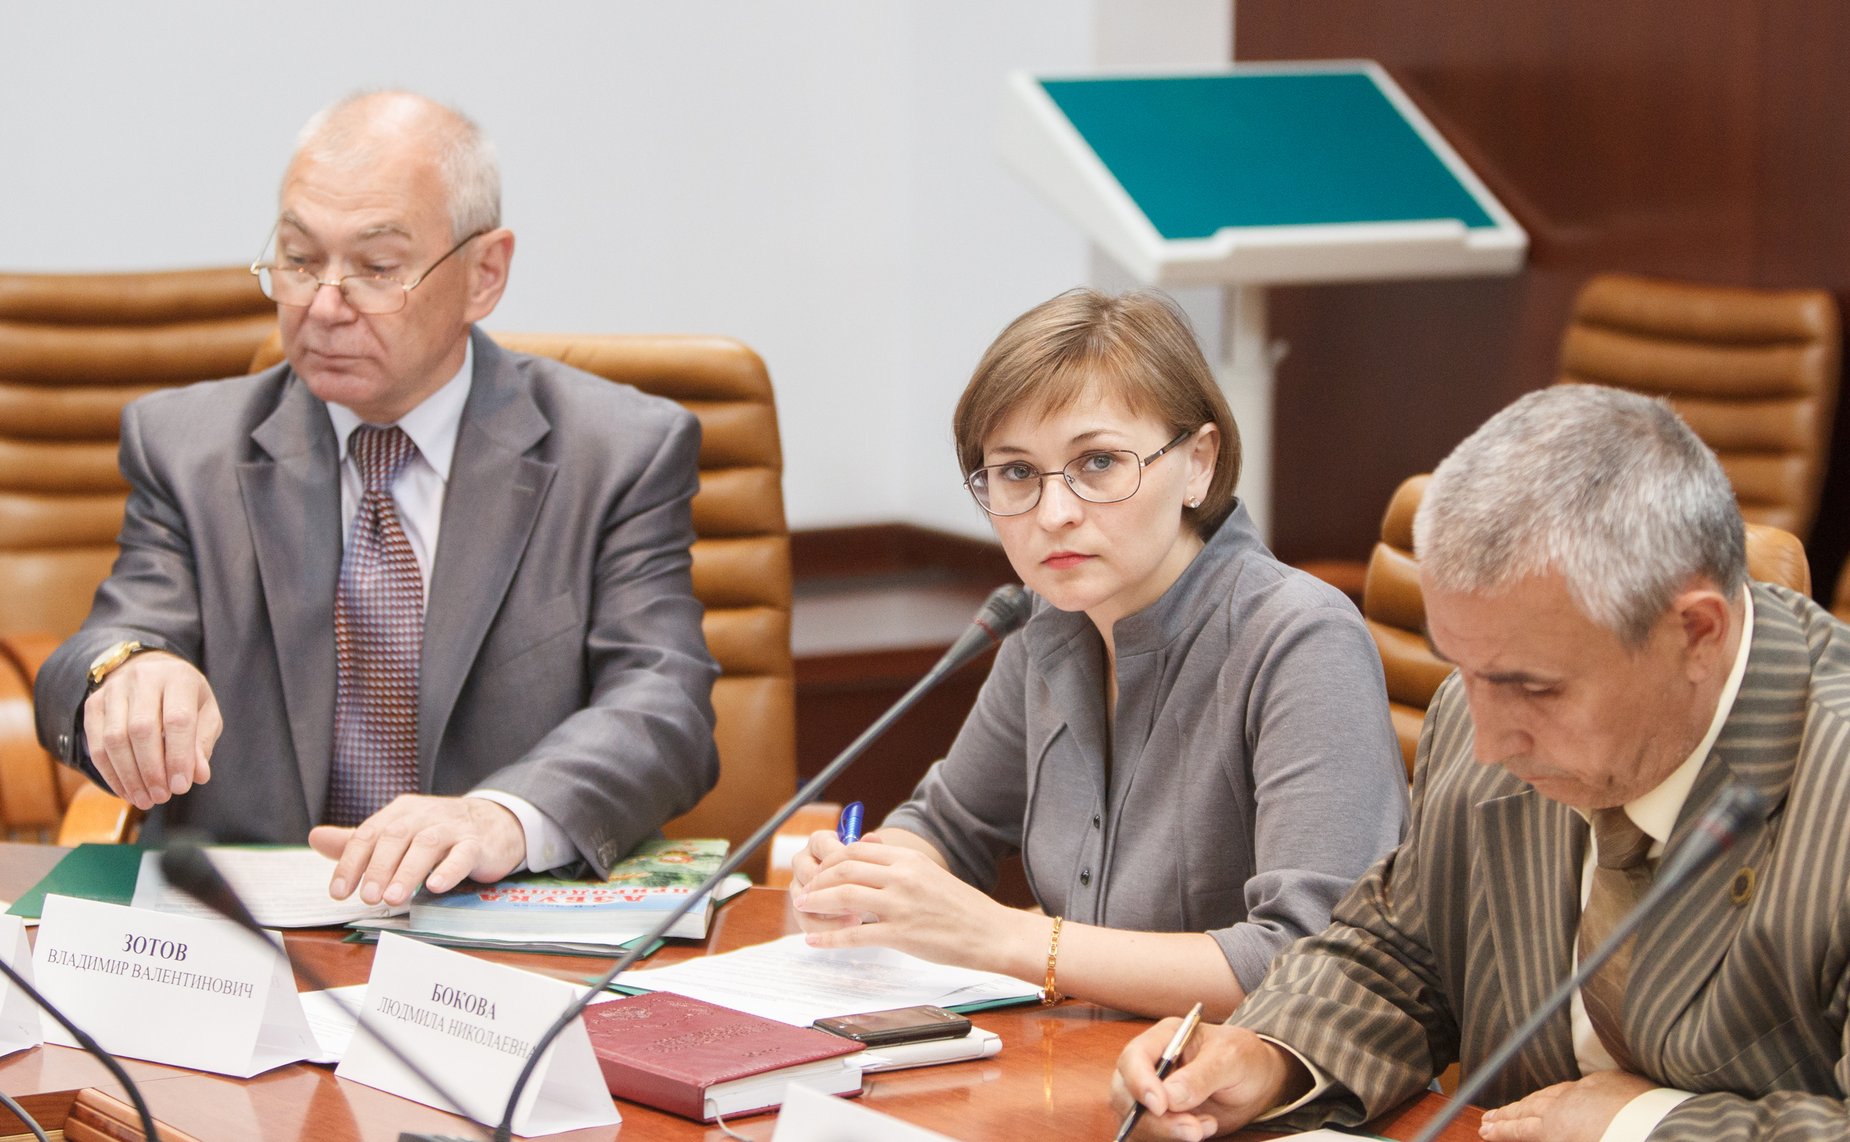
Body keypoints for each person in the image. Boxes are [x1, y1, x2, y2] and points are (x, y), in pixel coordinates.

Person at [1112, 383, 1850, 1141]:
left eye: (1535, 688)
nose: (1491, 742)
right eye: (1463, 668)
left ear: (1696, 634)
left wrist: (1642, 1127)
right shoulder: (1476, 719)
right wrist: (1268, 1057)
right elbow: (1399, 958)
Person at [34, 91, 718, 906]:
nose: (324, 305)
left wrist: (503, 815)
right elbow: (106, 643)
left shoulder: (616, 453)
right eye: (298, 259)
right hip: (245, 931)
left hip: (489, 924)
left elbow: (663, 703)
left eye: (376, 268)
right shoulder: (187, 447)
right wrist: (126, 674)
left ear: (484, 274)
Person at [791, 288, 1407, 1019]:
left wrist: (1005, 937)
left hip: (1243, 1079)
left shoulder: (1300, 638)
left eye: (1100, 462)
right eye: (1017, 473)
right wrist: (869, 883)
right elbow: (947, 825)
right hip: (1083, 1054)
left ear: (1198, 463)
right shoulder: (1049, 623)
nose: (1055, 513)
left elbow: (1309, 963)